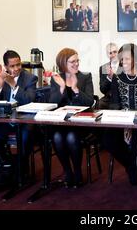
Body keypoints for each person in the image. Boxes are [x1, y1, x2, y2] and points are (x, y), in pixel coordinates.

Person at [103, 43, 137, 185]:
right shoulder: (117, 77)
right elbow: (114, 104)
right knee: (108, 138)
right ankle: (133, 166)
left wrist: (134, 122)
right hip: (122, 119)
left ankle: (133, 171)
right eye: (122, 59)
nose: (123, 62)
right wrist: (125, 123)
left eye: (127, 59)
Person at [0, 50, 38, 178]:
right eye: (12, 66)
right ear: (6, 67)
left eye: (18, 64)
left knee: (25, 137)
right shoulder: (2, 76)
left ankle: (22, 166)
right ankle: (8, 161)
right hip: (6, 119)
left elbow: (29, 100)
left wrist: (14, 86)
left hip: (25, 119)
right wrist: (0, 84)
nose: (16, 68)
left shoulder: (30, 78)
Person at [49, 48, 94, 188]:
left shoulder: (85, 77)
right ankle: (68, 172)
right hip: (62, 122)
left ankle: (78, 172)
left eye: (77, 60)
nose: (76, 64)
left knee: (71, 137)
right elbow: (52, 102)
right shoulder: (56, 78)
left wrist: (76, 90)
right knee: (56, 137)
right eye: (72, 62)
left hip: (80, 122)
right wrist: (62, 88)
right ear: (63, 63)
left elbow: (89, 102)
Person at [99, 43, 121, 109]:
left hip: (122, 97)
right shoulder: (103, 68)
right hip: (109, 98)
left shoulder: (125, 65)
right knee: (99, 104)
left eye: (115, 52)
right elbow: (102, 90)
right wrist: (109, 78)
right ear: (107, 55)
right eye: (110, 53)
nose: (113, 55)